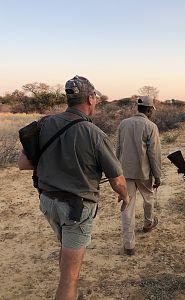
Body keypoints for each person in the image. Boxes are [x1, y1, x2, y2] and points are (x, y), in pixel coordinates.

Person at [18, 75, 129, 300]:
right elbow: (117, 180)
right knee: (69, 279)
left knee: (66, 248)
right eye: (95, 98)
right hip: (76, 209)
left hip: (48, 202)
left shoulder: (43, 123)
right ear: (90, 98)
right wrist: (125, 197)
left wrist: (55, 166)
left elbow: (23, 164)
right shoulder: (95, 134)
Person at [116, 96, 162, 255]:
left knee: (127, 205)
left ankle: (129, 245)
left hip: (125, 171)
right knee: (148, 198)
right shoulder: (151, 126)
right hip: (144, 173)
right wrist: (157, 175)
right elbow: (154, 154)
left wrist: (116, 171)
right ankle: (148, 223)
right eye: (152, 110)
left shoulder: (123, 123)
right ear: (149, 110)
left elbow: (118, 148)